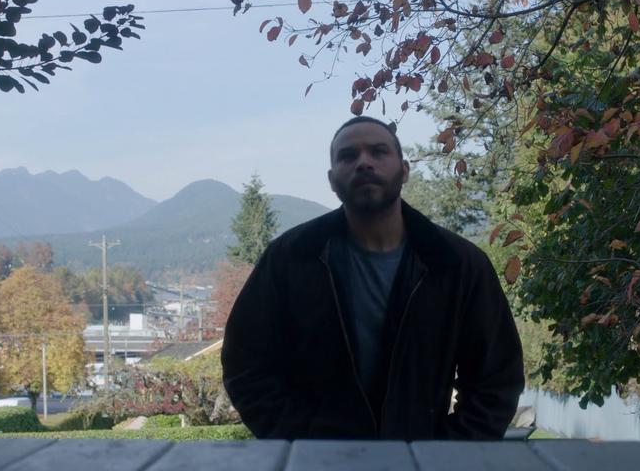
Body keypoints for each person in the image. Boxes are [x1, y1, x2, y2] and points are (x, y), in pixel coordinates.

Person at [221, 116, 524, 440]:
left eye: (378, 152)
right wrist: (300, 439)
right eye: (348, 155)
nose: (363, 162)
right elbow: (246, 363)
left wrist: (443, 453)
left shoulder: (457, 264)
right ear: (332, 178)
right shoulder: (291, 258)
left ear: (404, 170)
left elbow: (496, 379)